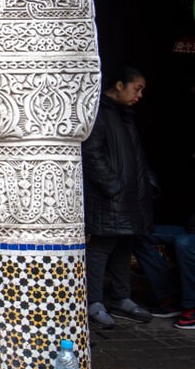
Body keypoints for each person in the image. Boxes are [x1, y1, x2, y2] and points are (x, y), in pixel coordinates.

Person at [82, 66, 155, 328]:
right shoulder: (99, 113)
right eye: (137, 88)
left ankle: (121, 298)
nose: (140, 95)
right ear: (120, 85)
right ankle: (94, 302)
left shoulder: (125, 116)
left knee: (124, 248)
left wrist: (147, 183)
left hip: (127, 197)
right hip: (109, 197)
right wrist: (113, 186)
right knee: (101, 249)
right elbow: (92, 154)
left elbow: (134, 156)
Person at [132, 216, 195, 329]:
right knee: (138, 234)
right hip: (190, 227)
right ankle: (169, 296)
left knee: (184, 243)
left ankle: (192, 307)